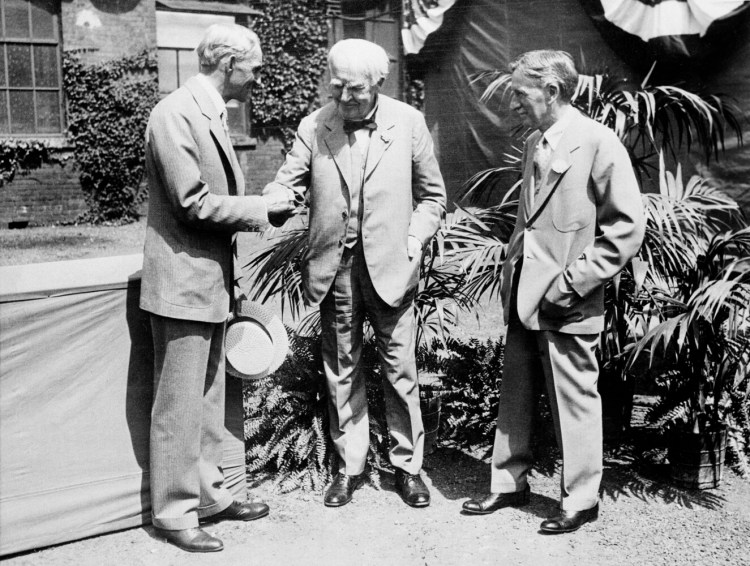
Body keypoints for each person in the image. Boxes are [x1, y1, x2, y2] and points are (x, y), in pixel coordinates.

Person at [461, 50, 645, 533]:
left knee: (574, 397)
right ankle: (507, 483)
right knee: (515, 395)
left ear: (553, 91)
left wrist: (571, 285)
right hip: (525, 293)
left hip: (567, 298)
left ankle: (581, 498)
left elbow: (626, 228)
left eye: (521, 94)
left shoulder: (599, 143)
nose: (514, 103)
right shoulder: (535, 143)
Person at [263, 39, 446, 508]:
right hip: (335, 269)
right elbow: (288, 181)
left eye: (356, 91)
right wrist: (274, 197)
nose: (345, 99)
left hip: (392, 267)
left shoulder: (408, 122)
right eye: (338, 87)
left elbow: (433, 197)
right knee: (341, 367)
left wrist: (413, 239)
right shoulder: (315, 124)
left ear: (380, 85)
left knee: (400, 370)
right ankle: (349, 467)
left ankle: (408, 467)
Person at [140, 23, 296, 553]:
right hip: (183, 282)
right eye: (252, 68)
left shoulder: (206, 111)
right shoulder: (174, 114)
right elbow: (192, 201)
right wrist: (262, 208)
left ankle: (209, 496)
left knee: (207, 397)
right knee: (180, 403)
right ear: (228, 63)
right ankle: (174, 513)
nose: (256, 79)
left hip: (206, 280)